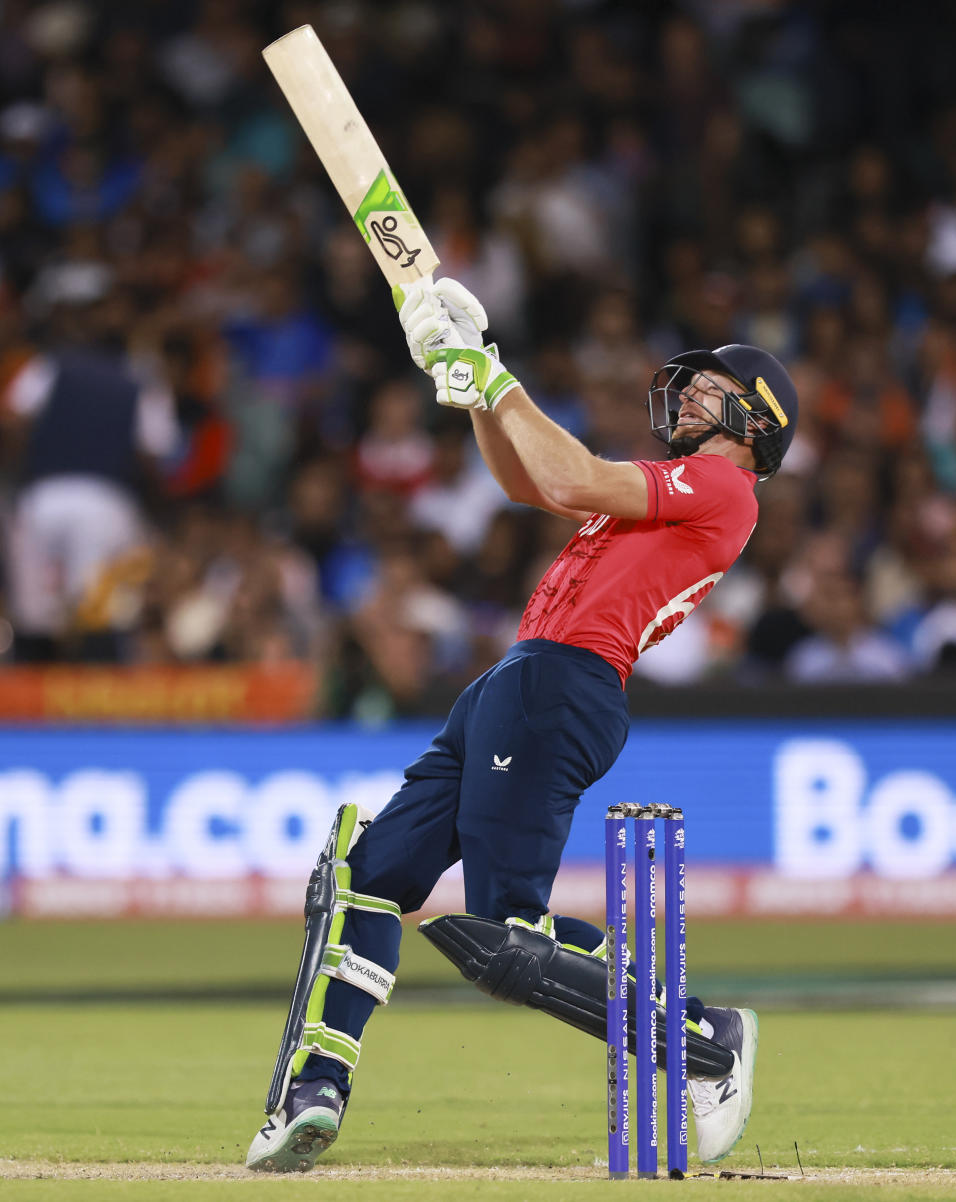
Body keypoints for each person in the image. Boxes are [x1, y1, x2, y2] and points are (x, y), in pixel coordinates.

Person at [246, 278, 798, 1173]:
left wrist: (491, 373)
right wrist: (472, 388)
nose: (687, 394)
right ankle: (314, 1094)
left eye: (710, 388)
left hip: (566, 682)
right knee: (364, 877)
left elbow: (570, 472)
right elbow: (525, 480)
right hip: (516, 676)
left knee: (508, 939)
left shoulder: (725, 488)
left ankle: (707, 1040)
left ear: (755, 422)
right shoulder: (668, 487)